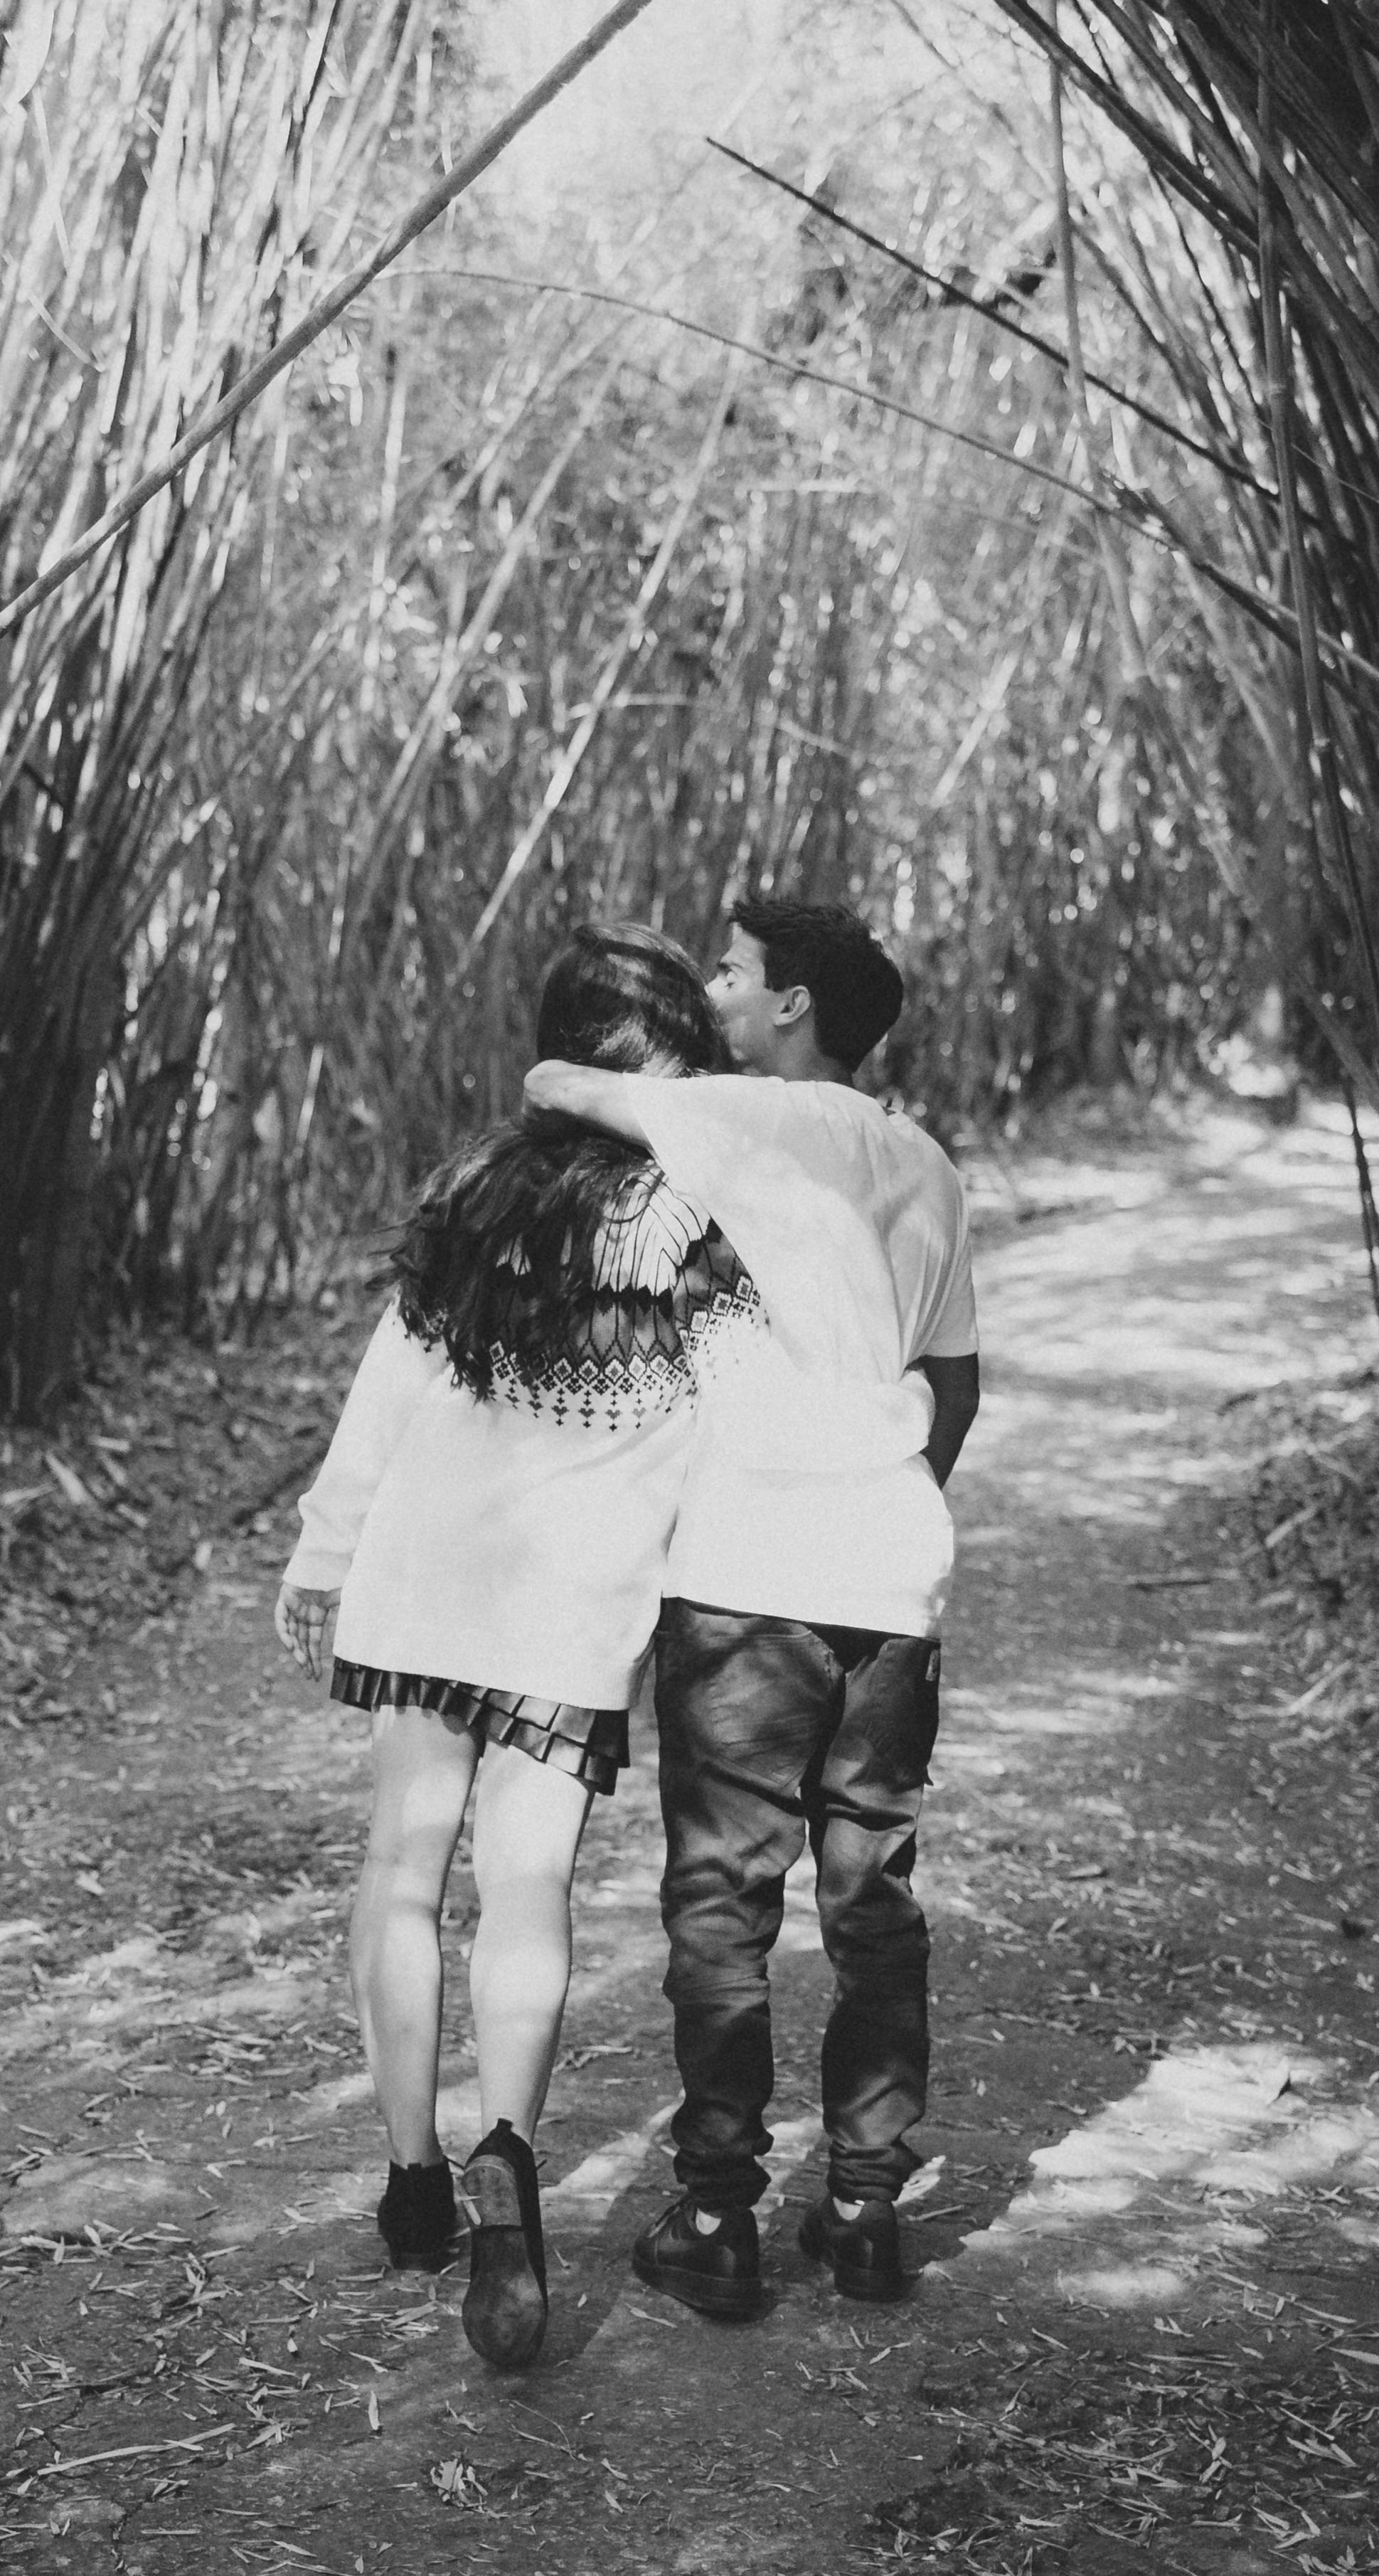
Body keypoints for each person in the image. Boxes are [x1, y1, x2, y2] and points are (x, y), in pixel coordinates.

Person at [275, 923, 761, 2370]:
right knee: (528, 1887)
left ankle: (412, 2182)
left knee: (401, 1871)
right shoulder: (695, 1217)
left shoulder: (471, 1191)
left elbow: (387, 1387)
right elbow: (731, 1425)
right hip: (570, 1601)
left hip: (426, 1574)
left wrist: (322, 1547)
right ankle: (506, 2152)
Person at [521, 897, 980, 2318]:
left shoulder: (742, 1117)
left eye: (730, 971)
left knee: (722, 1900)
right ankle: (863, 2204)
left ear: (791, 1005)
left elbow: (557, 1081)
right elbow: (955, 1383)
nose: (713, 992)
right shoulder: (925, 1161)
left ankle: (719, 2216)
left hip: (746, 1574)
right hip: (891, 1571)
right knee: (872, 1896)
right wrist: (880, 1496)